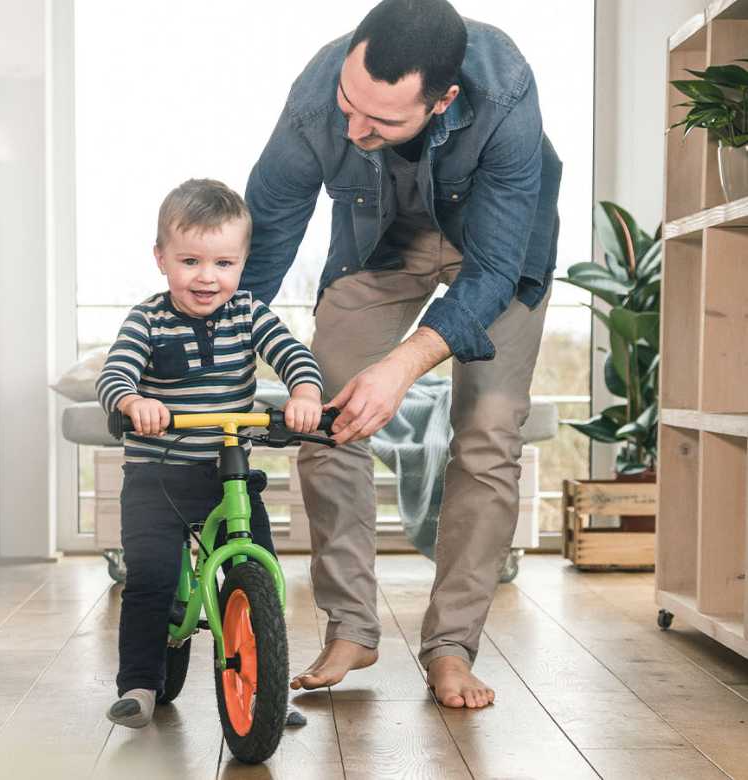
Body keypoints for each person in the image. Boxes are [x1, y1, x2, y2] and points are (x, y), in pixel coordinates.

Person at [240, 0, 562, 709]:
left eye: (381, 122)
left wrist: (403, 365)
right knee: (325, 412)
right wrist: (212, 361)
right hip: (379, 244)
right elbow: (260, 251)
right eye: (349, 105)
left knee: (487, 439)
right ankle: (352, 625)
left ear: (443, 99)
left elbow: (493, 270)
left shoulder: (505, 92)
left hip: (493, 256)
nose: (355, 130)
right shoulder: (317, 97)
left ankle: (450, 648)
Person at [96, 178, 324, 728]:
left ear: (242, 263)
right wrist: (133, 400)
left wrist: (305, 392)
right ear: (161, 258)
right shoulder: (147, 319)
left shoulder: (250, 313)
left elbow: (291, 353)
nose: (207, 276)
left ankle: (266, 686)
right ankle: (140, 687)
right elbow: (115, 373)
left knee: (255, 571)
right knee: (149, 578)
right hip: (156, 476)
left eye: (223, 263)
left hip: (228, 474)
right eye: (190, 260)